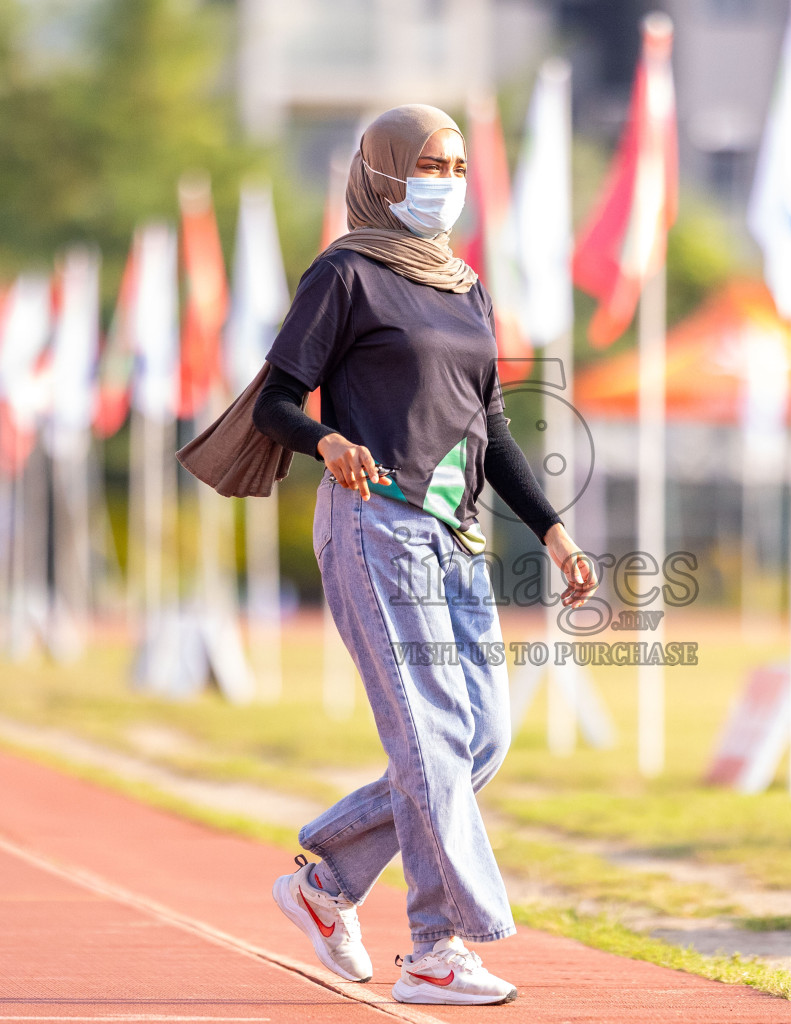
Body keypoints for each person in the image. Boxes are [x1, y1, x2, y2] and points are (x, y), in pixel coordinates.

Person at [249, 104, 597, 1007]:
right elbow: (275, 400)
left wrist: (553, 528)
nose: (445, 179)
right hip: (375, 523)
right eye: (427, 164)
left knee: (480, 735)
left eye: (455, 164)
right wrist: (324, 441)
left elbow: (492, 426)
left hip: (457, 534)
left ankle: (326, 880)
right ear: (383, 172)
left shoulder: (465, 285)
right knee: (431, 734)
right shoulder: (346, 273)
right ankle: (439, 948)